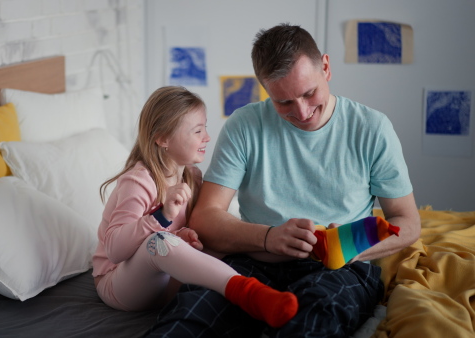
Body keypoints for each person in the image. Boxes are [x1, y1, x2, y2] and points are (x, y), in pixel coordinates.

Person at [144, 24, 421, 337]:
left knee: (311, 323)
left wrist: (351, 244)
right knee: (186, 318)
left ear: (326, 68)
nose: (301, 112)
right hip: (254, 263)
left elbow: (408, 222)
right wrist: (268, 237)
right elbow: (206, 218)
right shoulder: (244, 125)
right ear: (265, 88)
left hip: (340, 269)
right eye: (284, 102)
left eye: (308, 93)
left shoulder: (372, 128)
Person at [92, 86, 299, 328]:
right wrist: (161, 216)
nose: (207, 137)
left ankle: (307, 247)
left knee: (224, 236)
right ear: (162, 138)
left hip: (166, 283)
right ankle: (250, 294)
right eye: (197, 130)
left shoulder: (191, 177)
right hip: (120, 285)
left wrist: (185, 236)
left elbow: (195, 234)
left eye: (205, 128)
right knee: (158, 242)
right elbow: (116, 250)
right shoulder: (139, 181)